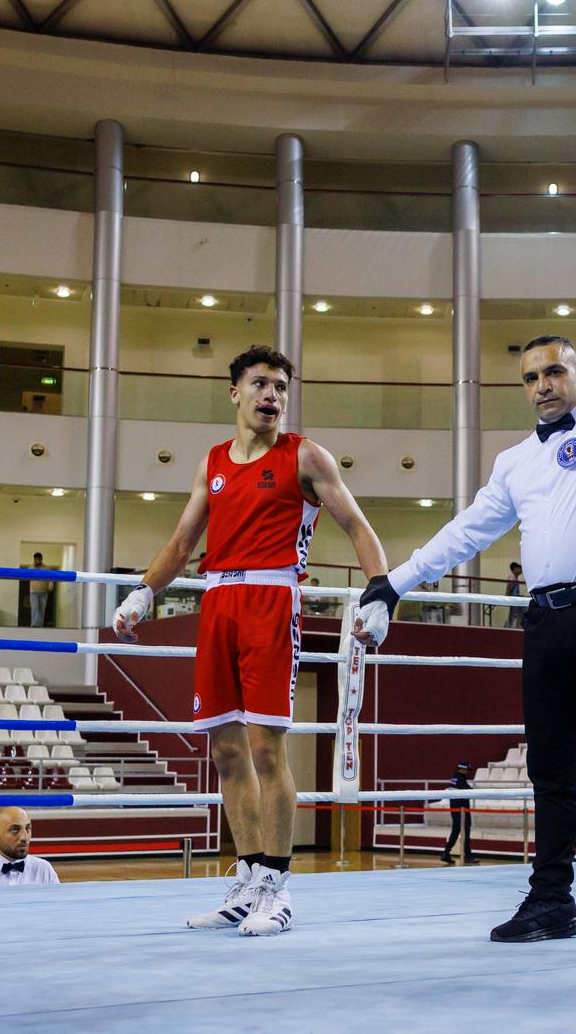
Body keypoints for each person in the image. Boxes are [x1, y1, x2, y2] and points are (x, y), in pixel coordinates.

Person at [357, 235, 576, 960]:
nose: (544, 384)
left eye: (555, 370)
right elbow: (465, 533)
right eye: (531, 376)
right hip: (547, 625)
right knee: (549, 770)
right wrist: (394, 583)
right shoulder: (515, 462)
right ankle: (552, 900)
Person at [112, 345, 393, 937]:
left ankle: (277, 886)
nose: (272, 396)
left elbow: (357, 525)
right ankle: (244, 881)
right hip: (216, 602)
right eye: (261, 384)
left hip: (272, 602)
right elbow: (184, 540)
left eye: (281, 387)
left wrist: (379, 593)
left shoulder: (305, 456)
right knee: (227, 752)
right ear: (234, 392)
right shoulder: (211, 461)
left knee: (268, 749)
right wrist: (144, 592)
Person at [443, 761, 477, 865]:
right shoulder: (460, 780)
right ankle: (468, 856)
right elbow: (469, 791)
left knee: (456, 831)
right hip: (461, 810)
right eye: (466, 770)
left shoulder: (455, 778)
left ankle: (446, 853)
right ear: (461, 769)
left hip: (455, 809)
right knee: (465, 831)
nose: (467, 772)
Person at [27, 552, 53, 627]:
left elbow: (51, 578)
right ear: (34, 559)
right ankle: (34, 624)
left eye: (39, 559)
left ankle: (40, 625)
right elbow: (27, 576)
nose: (38, 561)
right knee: (35, 608)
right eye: (36, 559)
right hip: (33, 591)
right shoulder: (31, 568)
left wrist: (50, 587)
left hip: (44, 591)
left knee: (42, 609)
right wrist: (34, 567)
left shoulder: (47, 568)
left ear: (41, 559)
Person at [504, 561, 526, 628]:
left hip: (515, 600)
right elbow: (508, 589)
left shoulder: (515, 578)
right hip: (513, 600)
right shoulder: (512, 578)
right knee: (513, 615)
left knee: (517, 614)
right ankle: (510, 628)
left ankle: (515, 627)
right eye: (519, 568)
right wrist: (507, 599)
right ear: (515, 568)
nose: (521, 570)